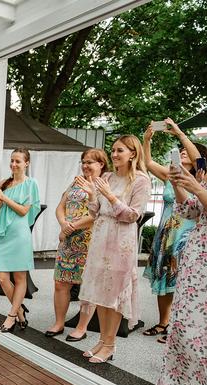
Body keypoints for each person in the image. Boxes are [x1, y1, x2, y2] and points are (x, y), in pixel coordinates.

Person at [156, 128, 207, 385]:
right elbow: (190, 211)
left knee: (204, 334)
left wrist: (197, 188)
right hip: (196, 258)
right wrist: (179, 184)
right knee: (183, 327)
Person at [77, 135, 151, 363]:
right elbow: (95, 211)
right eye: (113, 150)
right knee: (100, 292)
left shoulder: (141, 180)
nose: (114, 154)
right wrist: (92, 195)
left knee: (116, 293)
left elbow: (133, 215)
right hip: (101, 237)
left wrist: (110, 196)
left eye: (120, 150)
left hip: (121, 241)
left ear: (133, 154)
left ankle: (110, 344)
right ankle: (102, 340)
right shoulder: (106, 177)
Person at [142, 120, 207, 343]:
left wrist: (180, 134)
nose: (182, 152)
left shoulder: (201, 177)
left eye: (186, 151)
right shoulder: (171, 175)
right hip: (166, 232)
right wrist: (146, 140)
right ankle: (164, 322)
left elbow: (199, 160)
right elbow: (148, 162)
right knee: (163, 277)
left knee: (180, 279)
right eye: (180, 151)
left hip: (186, 234)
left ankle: (177, 327)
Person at [47, 149, 109, 339]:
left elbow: (96, 214)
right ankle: (59, 323)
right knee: (60, 283)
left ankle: (81, 328)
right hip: (67, 241)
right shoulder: (76, 181)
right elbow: (60, 206)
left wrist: (71, 226)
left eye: (90, 162)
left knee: (88, 286)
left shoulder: (104, 184)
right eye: (83, 162)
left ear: (101, 164)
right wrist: (63, 224)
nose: (85, 165)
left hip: (90, 242)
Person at [0, 148, 40, 333]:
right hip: (4, 234)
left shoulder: (31, 183)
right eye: (12, 160)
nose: (13, 164)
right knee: (2, 278)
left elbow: (23, 211)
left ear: (26, 163)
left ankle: (11, 316)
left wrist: (4, 197)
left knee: (20, 278)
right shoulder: (4, 183)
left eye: (18, 161)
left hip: (19, 234)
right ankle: (19, 310)